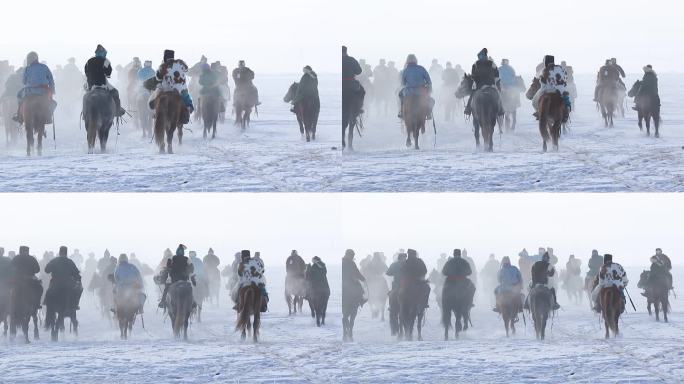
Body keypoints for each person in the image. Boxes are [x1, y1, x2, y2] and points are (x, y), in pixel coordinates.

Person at [148, 49, 194, 124]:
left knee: (155, 97)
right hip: (180, 89)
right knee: (186, 98)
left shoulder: (163, 66)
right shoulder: (180, 63)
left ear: (165, 57)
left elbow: (158, 78)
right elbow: (186, 70)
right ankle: (188, 110)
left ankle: (155, 111)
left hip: (166, 89)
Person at [13, 51, 56, 124]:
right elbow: (51, 80)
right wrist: (52, 90)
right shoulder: (44, 67)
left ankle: (19, 116)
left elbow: (23, 81)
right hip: (43, 92)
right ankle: (48, 116)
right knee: (51, 102)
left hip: (29, 91)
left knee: (18, 95)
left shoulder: (27, 68)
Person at [84, 44, 125, 117]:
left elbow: (86, 73)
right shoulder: (106, 61)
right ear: (104, 53)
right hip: (102, 83)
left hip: (90, 84)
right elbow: (108, 73)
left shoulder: (89, 61)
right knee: (115, 92)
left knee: (85, 96)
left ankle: (85, 113)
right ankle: (117, 111)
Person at [44, 246, 82, 316]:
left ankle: (46, 302)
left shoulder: (54, 260)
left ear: (59, 252)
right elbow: (76, 273)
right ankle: (75, 304)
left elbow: (46, 270)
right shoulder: (70, 261)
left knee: (48, 291)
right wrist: (78, 280)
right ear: (66, 253)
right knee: (79, 290)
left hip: (55, 283)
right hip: (68, 284)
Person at [531, 55, 571, 121]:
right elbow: (565, 77)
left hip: (547, 90)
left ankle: (539, 111)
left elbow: (542, 80)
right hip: (560, 90)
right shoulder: (560, 68)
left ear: (545, 62)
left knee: (534, 101)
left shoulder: (545, 70)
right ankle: (566, 112)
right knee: (566, 99)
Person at [465, 48, 502, 116]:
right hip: (490, 84)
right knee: (498, 94)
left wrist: (473, 79)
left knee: (472, 94)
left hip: (479, 85)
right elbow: (497, 74)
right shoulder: (492, 63)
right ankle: (501, 109)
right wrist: (495, 82)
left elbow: (473, 74)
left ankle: (468, 108)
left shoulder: (475, 64)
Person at [157, 244, 194, 308]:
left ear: (177, 251)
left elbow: (168, 266)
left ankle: (163, 301)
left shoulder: (172, 258)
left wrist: (170, 270)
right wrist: (187, 272)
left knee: (166, 288)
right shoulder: (187, 259)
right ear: (183, 252)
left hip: (173, 280)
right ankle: (193, 303)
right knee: (190, 289)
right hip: (184, 279)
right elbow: (192, 268)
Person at [398, 54, 432, 119]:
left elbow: (402, 83)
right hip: (421, 92)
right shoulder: (421, 68)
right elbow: (428, 80)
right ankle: (428, 113)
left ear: (407, 61)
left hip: (409, 92)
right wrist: (429, 88)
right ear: (416, 60)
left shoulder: (405, 70)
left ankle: (401, 112)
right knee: (431, 100)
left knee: (400, 95)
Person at [11, 246, 43, 313]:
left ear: (20, 251)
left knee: (9, 290)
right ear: (27, 251)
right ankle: (37, 303)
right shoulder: (32, 258)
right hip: (30, 280)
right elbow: (37, 269)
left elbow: (11, 268)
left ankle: (10, 304)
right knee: (40, 288)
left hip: (18, 279)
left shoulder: (16, 258)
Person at [342, 46, 365, 114]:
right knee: (362, 91)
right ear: (346, 51)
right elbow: (359, 71)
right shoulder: (351, 59)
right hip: (350, 83)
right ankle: (359, 108)